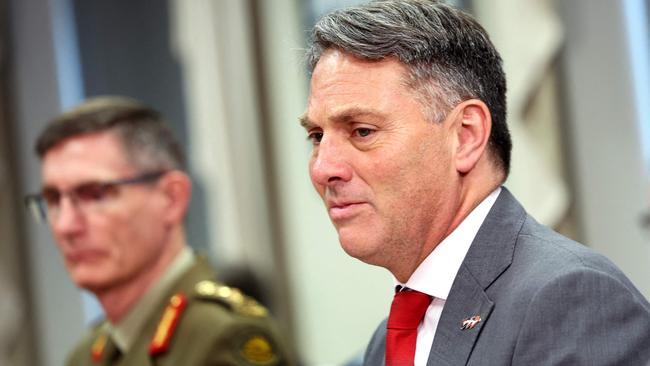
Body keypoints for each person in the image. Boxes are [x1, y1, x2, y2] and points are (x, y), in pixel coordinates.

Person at [301, 1, 650, 365]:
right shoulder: (386, 340)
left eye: (362, 131)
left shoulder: (570, 300)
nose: (323, 168)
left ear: (466, 136)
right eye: (316, 136)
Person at [25, 96, 293, 365]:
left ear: (171, 198)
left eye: (95, 195)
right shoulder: (86, 355)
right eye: (53, 200)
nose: (66, 226)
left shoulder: (221, 336)